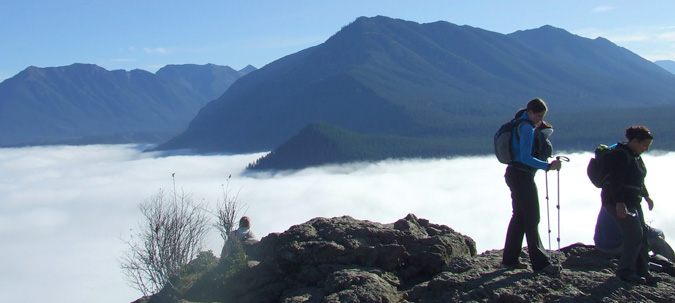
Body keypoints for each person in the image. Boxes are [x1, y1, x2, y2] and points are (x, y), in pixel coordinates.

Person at [501, 98, 563, 275]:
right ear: (530, 112)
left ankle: (509, 260)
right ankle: (541, 264)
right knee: (532, 218)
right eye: (538, 115)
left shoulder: (516, 123)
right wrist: (548, 166)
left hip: (513, 174)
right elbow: (526, 157)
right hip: (523, 176)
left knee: (519, 217)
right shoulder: (527, 127)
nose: (540, 120)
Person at [600, 126, 657, 284]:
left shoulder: (634, 155)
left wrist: (646, 197)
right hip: (618, 202)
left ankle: (642, 271)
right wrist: (619, 203)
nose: (646, 149)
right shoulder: (620, 155)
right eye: (644, 145)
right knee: (633, 235)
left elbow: (637, 179)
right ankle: (625, 272)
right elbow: (614, 182)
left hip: (633, 201)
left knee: (642, 236)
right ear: (634, 141)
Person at [594, 207, 675, 262]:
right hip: (618, 247)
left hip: (601, 245)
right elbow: (642, 229)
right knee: (658, 240)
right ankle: (670, 266)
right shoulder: (629, 203)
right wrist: (659, 232)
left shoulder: (608, 198)